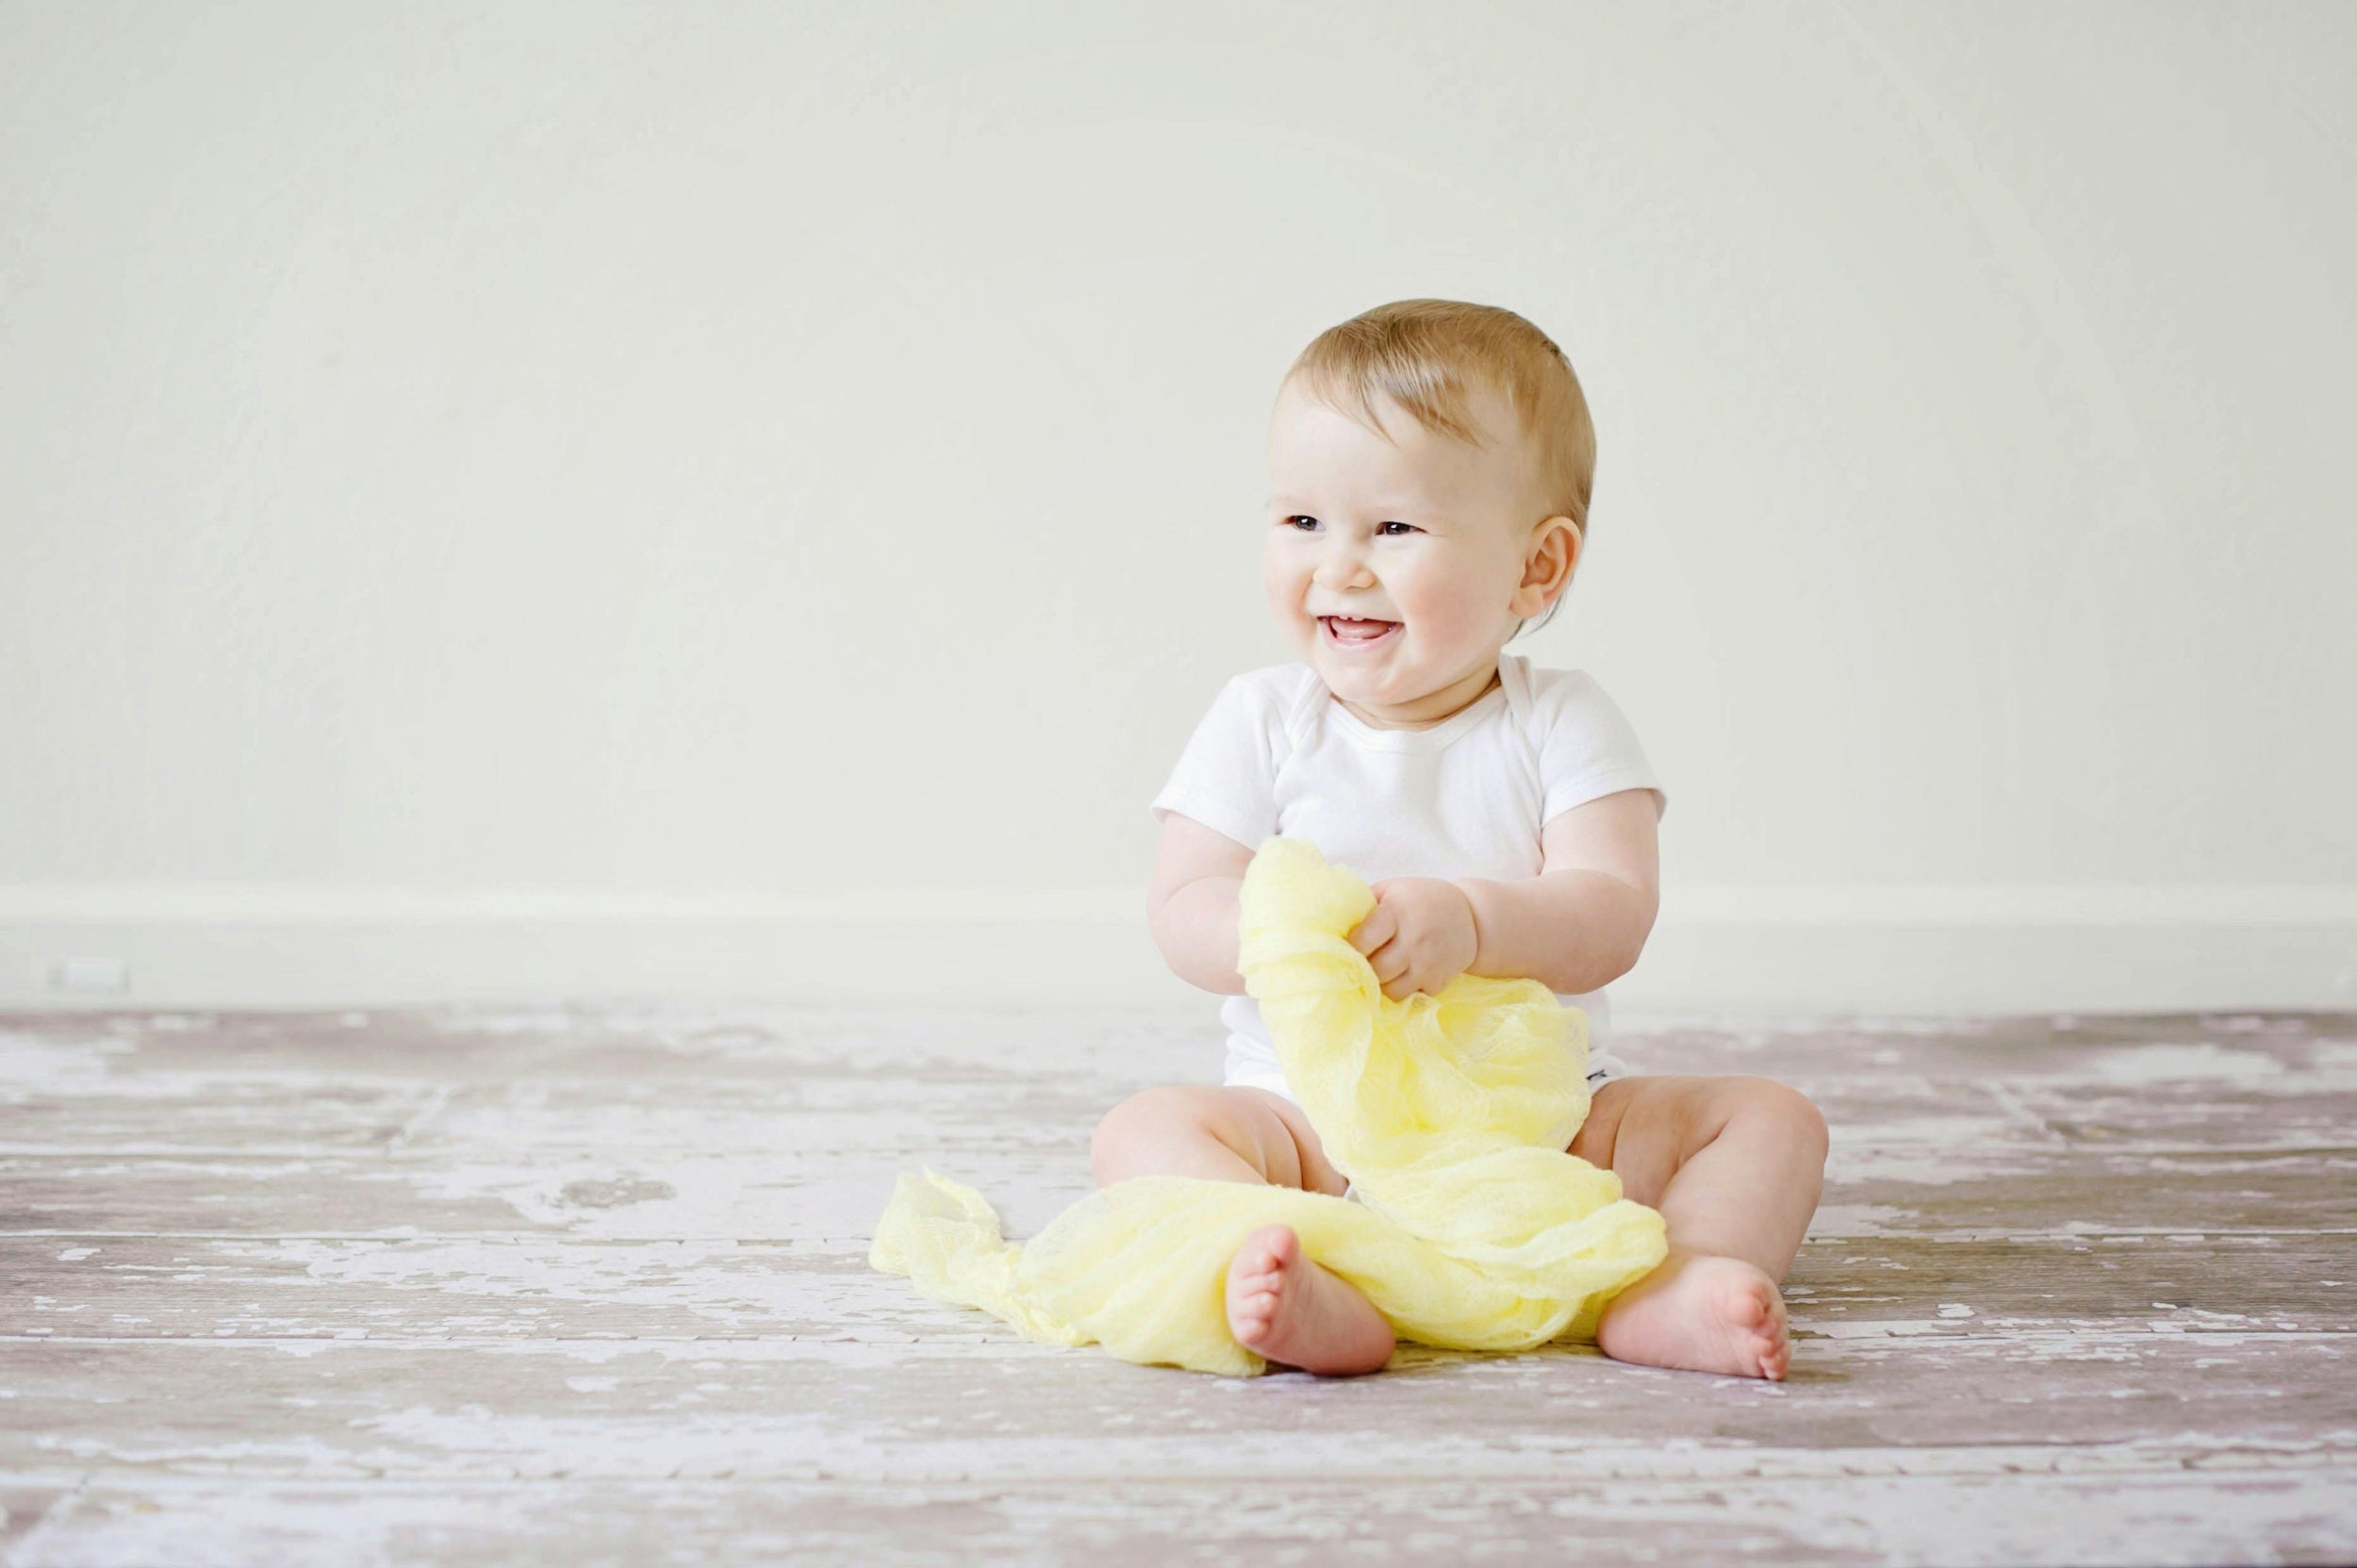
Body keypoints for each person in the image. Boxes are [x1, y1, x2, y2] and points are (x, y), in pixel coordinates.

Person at [1097, 299, 1830, 1379]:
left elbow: (1611, 909)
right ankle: (1318, 1280)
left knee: (1772, 1120)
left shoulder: (1559, 721)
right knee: (1142, 1132)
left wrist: (1475, 919)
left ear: (1536, 568)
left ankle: (1681, 1278)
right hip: (1308, 1126)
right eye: (1301, 521)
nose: (1338, 566)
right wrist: (1285, 940)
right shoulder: (1261, 719)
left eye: (1391, 528)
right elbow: (1182, 903)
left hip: (1540, 1132)